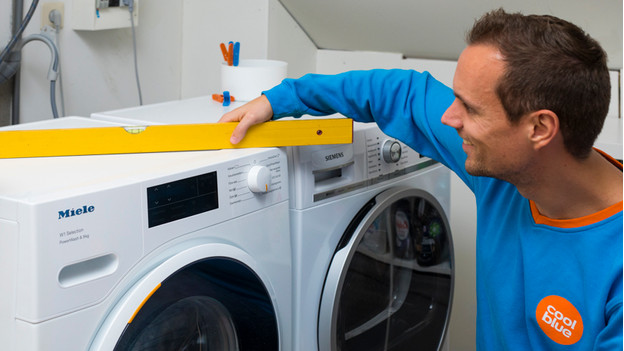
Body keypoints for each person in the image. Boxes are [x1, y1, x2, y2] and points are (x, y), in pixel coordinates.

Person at [219, 8, 623, 350]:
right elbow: (402, 93)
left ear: (539, 129)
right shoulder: (510, 172)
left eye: (470, 108)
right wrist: (280, 99)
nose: (450, 119)